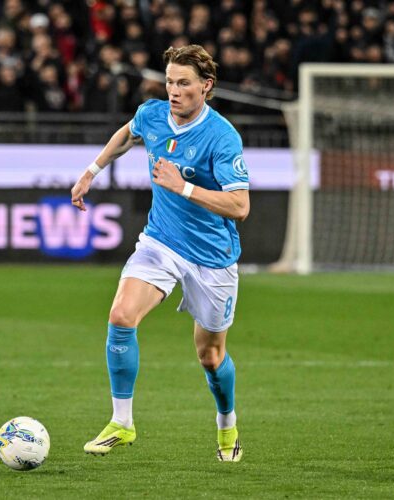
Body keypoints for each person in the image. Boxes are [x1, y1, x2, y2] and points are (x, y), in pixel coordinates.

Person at [70, 44, 250, 462]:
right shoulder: (152, 114)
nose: (174, 90)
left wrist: (182, 186)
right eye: (169, 81)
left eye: (183, 83)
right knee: (121, 315)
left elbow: (240, 206)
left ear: (206, 86)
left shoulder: (222, 136)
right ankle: (122, 422)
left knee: (210, 356)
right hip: (161, 242)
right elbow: (128, 133)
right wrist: (91, 172)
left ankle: (227, 423)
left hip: (212, 256)